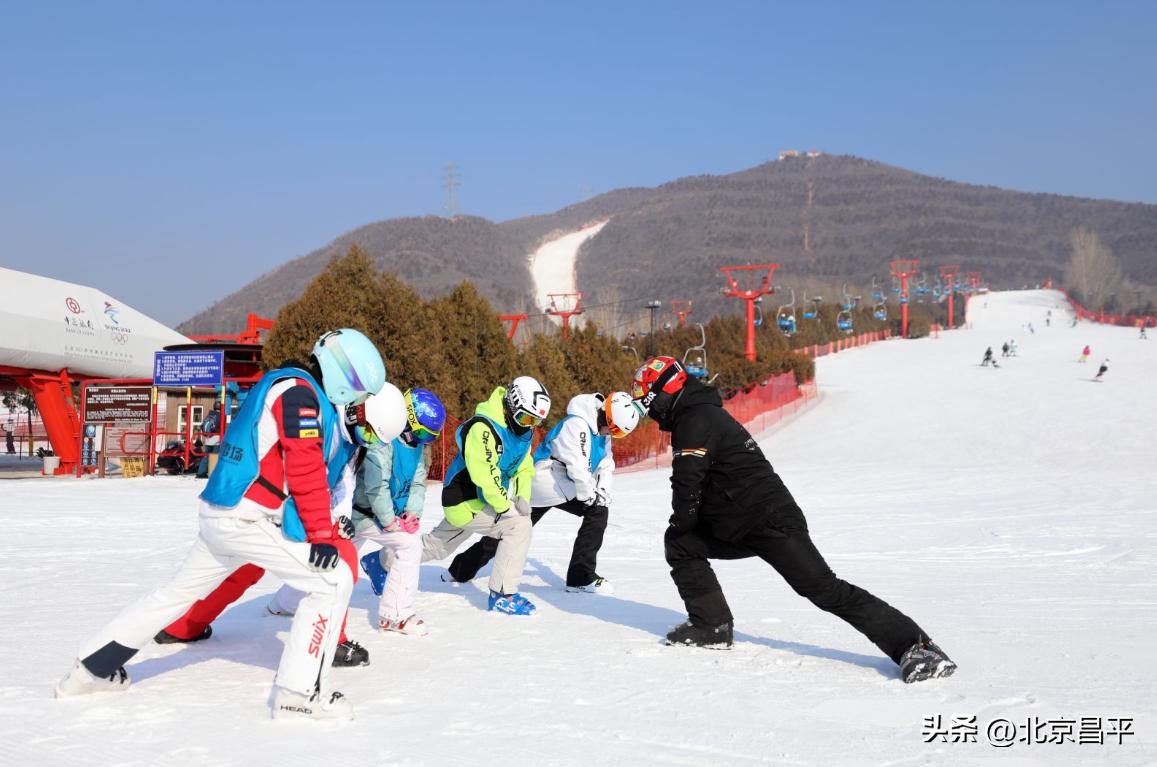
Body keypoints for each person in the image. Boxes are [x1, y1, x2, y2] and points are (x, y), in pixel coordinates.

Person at [55, 328, 391, 721]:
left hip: (222, 514)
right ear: (342, 376)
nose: (356, 400)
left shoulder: (282, 384)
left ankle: (88, 671)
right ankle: (300, 697)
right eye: (358, 390)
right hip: (247, 518)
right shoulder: (300, 395)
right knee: (331, 582)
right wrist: (321, 534)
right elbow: (305, 465)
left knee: (173, 595)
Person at [631, 357, 955, 683]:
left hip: (771, 522)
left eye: (649, 403)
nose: (651, 412)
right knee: (681, 544)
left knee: (824, 588)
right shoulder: (698, 414)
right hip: (739, 523)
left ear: (663, 394)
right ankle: (711, 625)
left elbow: (688, 483)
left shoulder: (695, 419)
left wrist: (682, 521)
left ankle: (916, 647)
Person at [157, 384, 407, 668]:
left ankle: (186, 625)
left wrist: (339, 518)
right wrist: (323, 523)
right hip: (276, 503)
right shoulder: (323, 420)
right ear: (358, 411)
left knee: (269, 562)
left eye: (374, 440)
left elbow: (341, 485)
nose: (368, 440)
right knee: (254, 567)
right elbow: (303, 472)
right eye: (370, 432)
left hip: (297, 510)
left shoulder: (352, 443)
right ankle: (327, 643)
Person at [447, 392, 642, 594]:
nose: (611, 434)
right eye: (613, 429)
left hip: (567, 488)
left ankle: (580, 577)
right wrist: (589, 495)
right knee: (511, 529)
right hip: (545, 485)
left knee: (598, 512)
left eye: (618, 433)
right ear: (606, 416)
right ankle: (460, 570)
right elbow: (578, 466)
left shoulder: (603, 433)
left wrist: (602, 490)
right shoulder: (577, 425)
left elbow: (606, 463)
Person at [420, 377, 551, 615]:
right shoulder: (483, 428)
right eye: (525, 418)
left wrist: (522, 494)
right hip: (464, 498)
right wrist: (504, 507)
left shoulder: (522, 432)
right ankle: (503, 594)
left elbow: (524, 465)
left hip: (480, 502)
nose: (528, 425)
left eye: (535, 421)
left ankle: (381, 562)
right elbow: (485, 476)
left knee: (437, 547)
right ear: (510, 406)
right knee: (518, 526)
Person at [195, 407, 222, 479]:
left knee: (205, 456)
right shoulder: (220, 415)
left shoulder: (209, 415)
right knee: (214, 456)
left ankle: (201, 473)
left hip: (207, 440)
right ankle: (212, 473)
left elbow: (202, 426)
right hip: (216, 440)